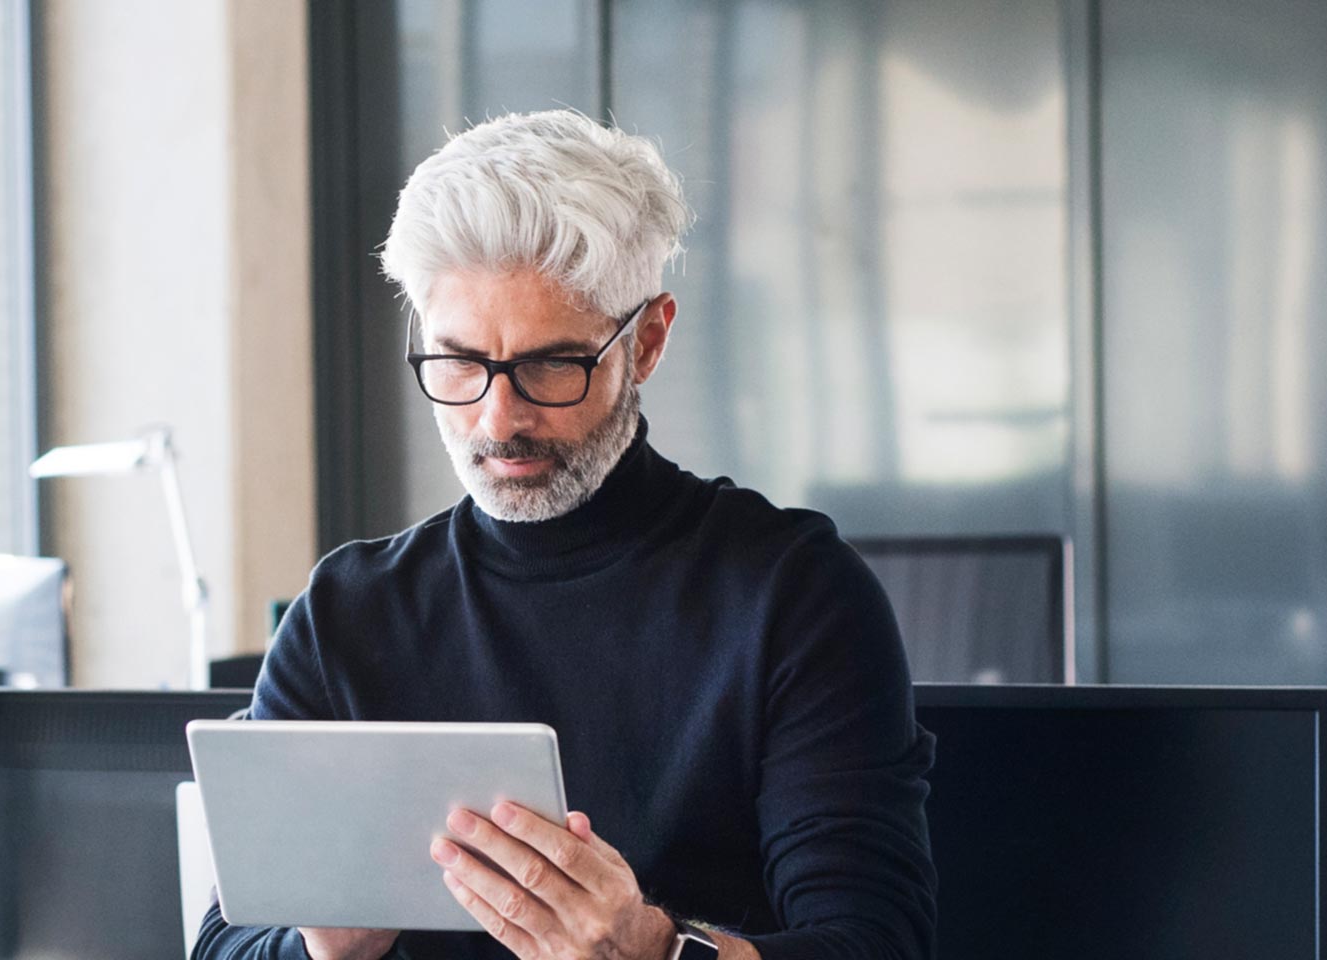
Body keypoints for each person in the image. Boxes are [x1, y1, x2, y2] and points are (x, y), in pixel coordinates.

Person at [189, 109, 934, 960]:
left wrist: (658, 952)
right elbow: (223, 941)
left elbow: (879, 944)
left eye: (550, 364)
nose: (498, 418)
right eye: (459, 362)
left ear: (646, 341)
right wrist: (323, 950)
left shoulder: (792, 593)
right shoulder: (347, 613)